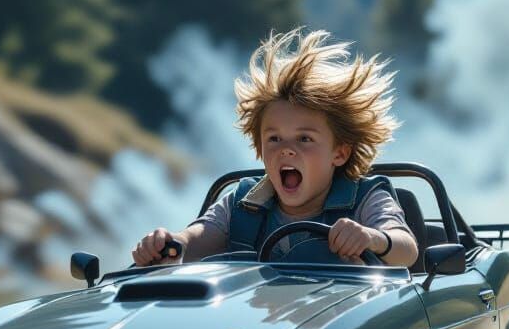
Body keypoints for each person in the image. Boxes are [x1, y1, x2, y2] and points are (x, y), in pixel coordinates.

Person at [131, 28, 419, 268]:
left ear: (339, 153)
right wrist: (168, 244)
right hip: (258, 326)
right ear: (259, 147)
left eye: (304, 139)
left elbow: (407, 250)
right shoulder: (242, 203)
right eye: (274, 139)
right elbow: (198, 238)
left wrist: (372, 238)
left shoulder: (366, 199)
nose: (287, 150)